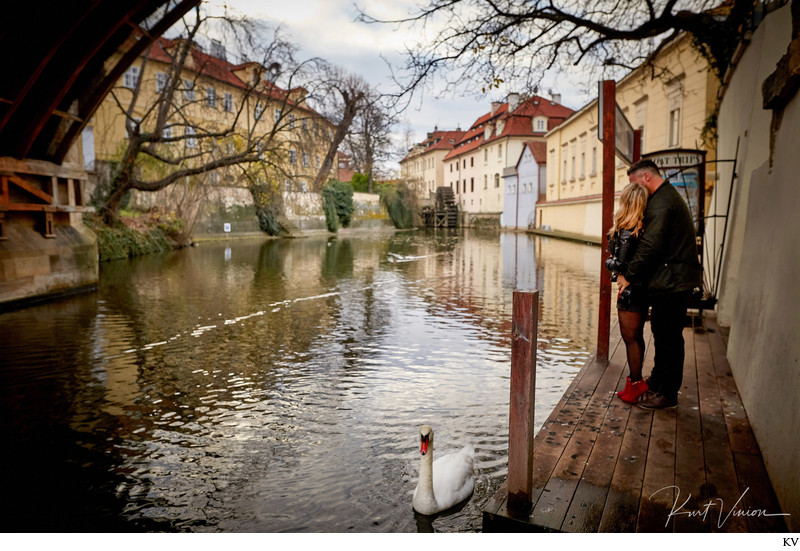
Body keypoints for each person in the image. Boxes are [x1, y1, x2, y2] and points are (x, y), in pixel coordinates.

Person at [618, 159, 703, 410]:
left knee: (669, 338)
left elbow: (650, 246)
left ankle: (667, 394)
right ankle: (657, 381)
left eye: (635, 183)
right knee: (662, 332)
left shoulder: (662, 203)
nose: (634, 189)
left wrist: (628, 275)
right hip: (671, 281)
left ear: (646, 178)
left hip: (673, 283)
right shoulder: (664, 198)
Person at [605, 182, 650, 404]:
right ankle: (635, 381)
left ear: (627, 201)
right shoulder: (640, 228)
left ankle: (635, 384)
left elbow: (620, 263)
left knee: (630, 338)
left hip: (630, 293)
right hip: (639, 290)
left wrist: (607, 261)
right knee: (636, 337)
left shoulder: (626, 230)